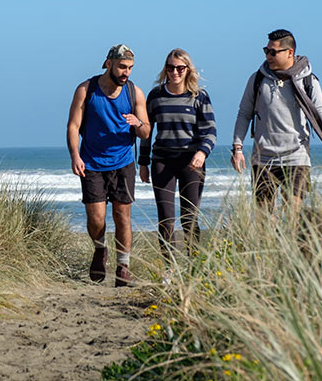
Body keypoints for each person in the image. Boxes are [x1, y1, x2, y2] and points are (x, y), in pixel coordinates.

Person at [231, 29, 322, 209]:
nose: (268, 56)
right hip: (263, 158)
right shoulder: (257, 79)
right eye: (266, 51)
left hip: (296, 157)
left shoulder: (308, 81)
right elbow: (244, 113)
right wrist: (237, 147)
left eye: (273, 52)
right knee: (263, 219)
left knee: (293, 214)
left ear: (290, 52)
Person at [67, 44, 150, 287]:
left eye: (130, 68)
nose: (126, 73)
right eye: (122, 67)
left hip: (123, 162)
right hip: (92, 162)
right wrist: (75, 155)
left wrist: (138, 123)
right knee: (97, 219)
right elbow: (73, 125)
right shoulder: (86, 90)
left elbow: (146, 132)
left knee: (122, 216)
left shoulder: (135, 93)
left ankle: (123, 267)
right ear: (109, 63)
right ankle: (99, 249)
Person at [138, 49, 216, 260]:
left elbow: (210, 130)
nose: (175, 72)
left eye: (180, 68)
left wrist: (202, 152)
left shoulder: (199, 96)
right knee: (166, 219)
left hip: (191, 163)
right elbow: (146, 131)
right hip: (162, 162)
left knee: (189, 218)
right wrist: (143, 163)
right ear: (166, 69)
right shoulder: (156, 95)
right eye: (171, 68)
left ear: (187, 70)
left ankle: (194, 265)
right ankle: (169, 269)